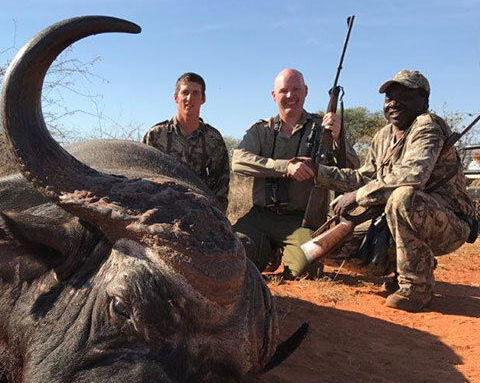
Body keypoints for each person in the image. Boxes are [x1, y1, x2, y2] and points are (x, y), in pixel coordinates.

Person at [306, 70, 476, 312]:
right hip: (394, 219)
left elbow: (411, 177)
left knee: (403, 197)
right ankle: (410, 263)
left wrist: (356, 197)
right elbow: (365, 177)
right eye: (389, 98)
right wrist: (318, 172)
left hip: (449, 224)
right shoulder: (383, 135)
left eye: (404, 96)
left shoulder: (427, 126)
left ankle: (416, 287)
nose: (394, 103)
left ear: (423, 101)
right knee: (325, 249)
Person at [231, 68, 359, 278]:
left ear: (306, 91)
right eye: (284, 91)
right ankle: (268, 250)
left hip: (301, 220)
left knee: (306, 269)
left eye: (296, 89)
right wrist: (285, 167)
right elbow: (238, 161)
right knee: (232, 255)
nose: (290, 96)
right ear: (274, 96)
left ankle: (283, 250)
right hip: (260, 216)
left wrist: (338, 137)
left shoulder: (322, 127)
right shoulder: (260, 130)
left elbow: (353, 169)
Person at [142, 72, 230, 214]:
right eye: (185, 93)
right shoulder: (156, 135)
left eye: (196, 93)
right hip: (159, 208)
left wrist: (215, 216)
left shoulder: (213, 139)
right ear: (176, 98)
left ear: (203, 99)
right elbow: (141, 175)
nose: (190, 98)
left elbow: (221, 185)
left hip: (198, 210)